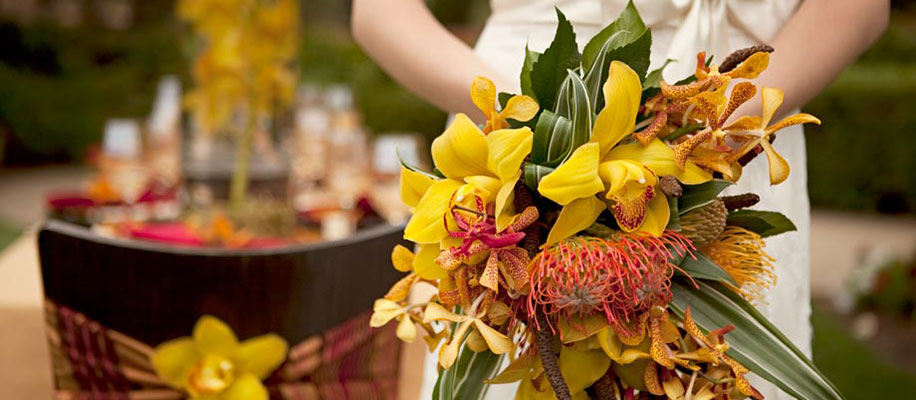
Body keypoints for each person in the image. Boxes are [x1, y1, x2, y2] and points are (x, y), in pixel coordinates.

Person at [352, 0, 889, 398]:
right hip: (510, 131)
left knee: (721, 372)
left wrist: (718, 124)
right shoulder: (519, 126)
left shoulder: (732, 127)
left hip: (736, 137)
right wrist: (539, 128)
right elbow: (379, 11)